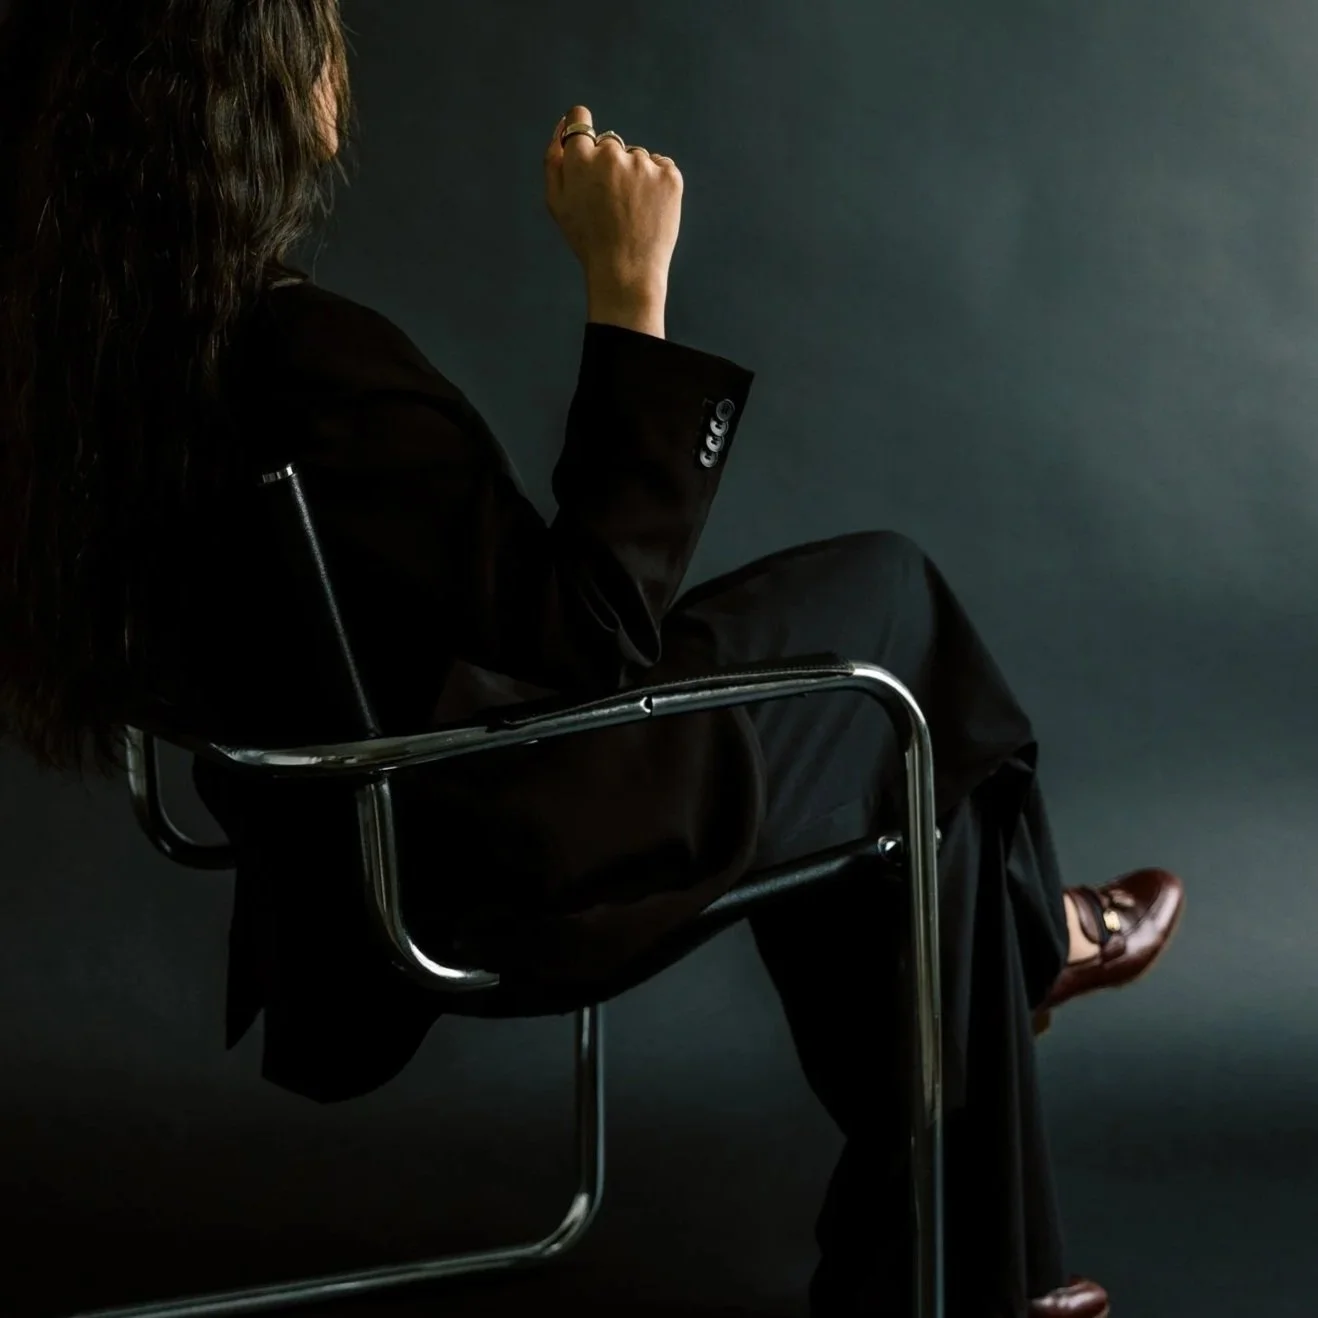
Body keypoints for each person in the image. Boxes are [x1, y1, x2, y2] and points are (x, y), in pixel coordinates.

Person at [0, 3, 1185, 1316]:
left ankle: (971, 1207)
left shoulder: (97, 359)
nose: (339, 59)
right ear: (249, 102)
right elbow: (587, 646)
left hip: (354, 839)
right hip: (493, 846)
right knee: (892, 620)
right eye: (318, 34)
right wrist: (630, 288)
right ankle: (1029, 952)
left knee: (907, 784)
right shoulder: (304, 365)